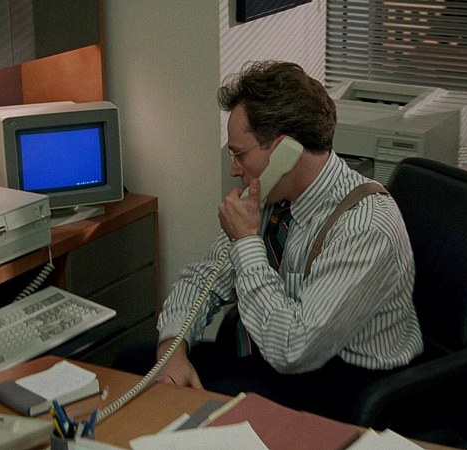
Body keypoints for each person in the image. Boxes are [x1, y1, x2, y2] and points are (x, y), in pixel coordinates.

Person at [145, 61, 421, 421]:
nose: (234, 169)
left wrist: (246, 242)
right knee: (133, 368)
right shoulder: (273, 197)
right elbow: (203, 280)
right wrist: (172, 350)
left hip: (338, 386)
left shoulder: (365, 227)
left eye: (239, 154)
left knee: (176, 417)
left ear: (283, 152)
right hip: (267, 359)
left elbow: (293, 350)